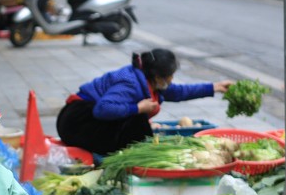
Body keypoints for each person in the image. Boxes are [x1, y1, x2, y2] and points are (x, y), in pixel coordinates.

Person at [56, 49, 233, 156]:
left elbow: (179, 92)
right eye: (170, 75)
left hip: (84, 120)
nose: (172, 79)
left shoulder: (151, 82)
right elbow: (102, 109)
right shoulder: (131, 83)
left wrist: (215, 87)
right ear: (158, 76)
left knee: (138, 121)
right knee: (137, 122)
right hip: (76, 122)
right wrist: (138, 108)